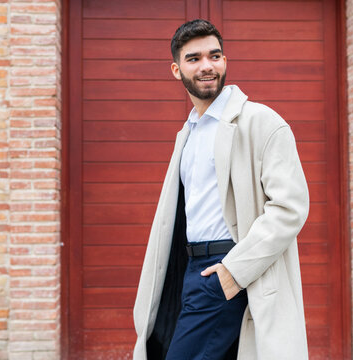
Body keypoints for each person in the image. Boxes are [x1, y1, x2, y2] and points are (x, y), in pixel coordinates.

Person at [133, 19, 310, 360]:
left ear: (225, 61)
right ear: (176, 69)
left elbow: (290, 207)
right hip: (190, 269)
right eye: (194, 58)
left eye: (214, 56)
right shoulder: (187, 135)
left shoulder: (262, 122)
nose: (206, 66)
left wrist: (233, 271)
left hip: (230, 268)